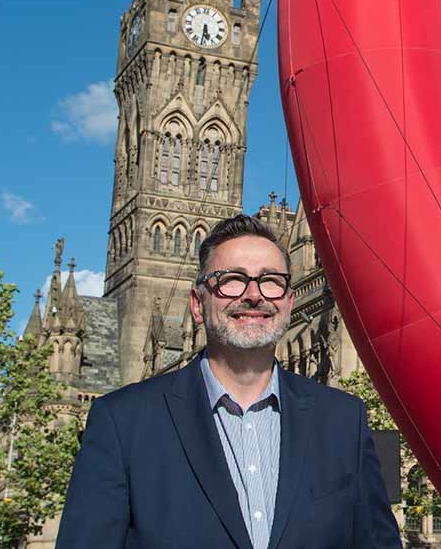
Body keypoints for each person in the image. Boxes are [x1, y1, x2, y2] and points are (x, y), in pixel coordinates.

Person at [57, 214, 402, 549]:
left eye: (270, 280)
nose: (254, 294)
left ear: (288, 299)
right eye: (231, 279)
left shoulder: (344, 420)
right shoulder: (122, 423)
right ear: (197, 304)